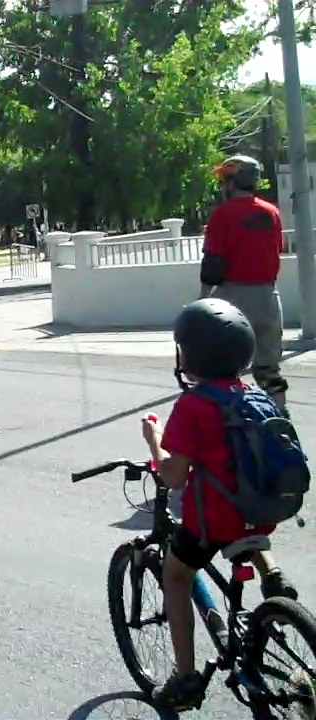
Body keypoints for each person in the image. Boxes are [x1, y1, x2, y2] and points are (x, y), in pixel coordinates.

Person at [140, 298, 298, 710]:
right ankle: (272, 573)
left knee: (177, 575)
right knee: (247, 526)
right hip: (262, 512)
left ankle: (186, 678)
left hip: (213, 522)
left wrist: (154, 442)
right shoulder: (257, 397)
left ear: (190, 357)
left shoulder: (193, 406)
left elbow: (174, 475)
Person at [200, 155, 288, 410]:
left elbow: (213, 266)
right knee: (269, 371)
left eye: (224, 181)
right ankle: (280, 419)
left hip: (234, 300)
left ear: (233, 182)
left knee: (224, 372)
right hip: (269, 297)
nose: (222, 187)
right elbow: (276, 250)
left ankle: (230, 423)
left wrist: (202, 301)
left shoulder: (222, 215)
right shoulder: (272, 213)